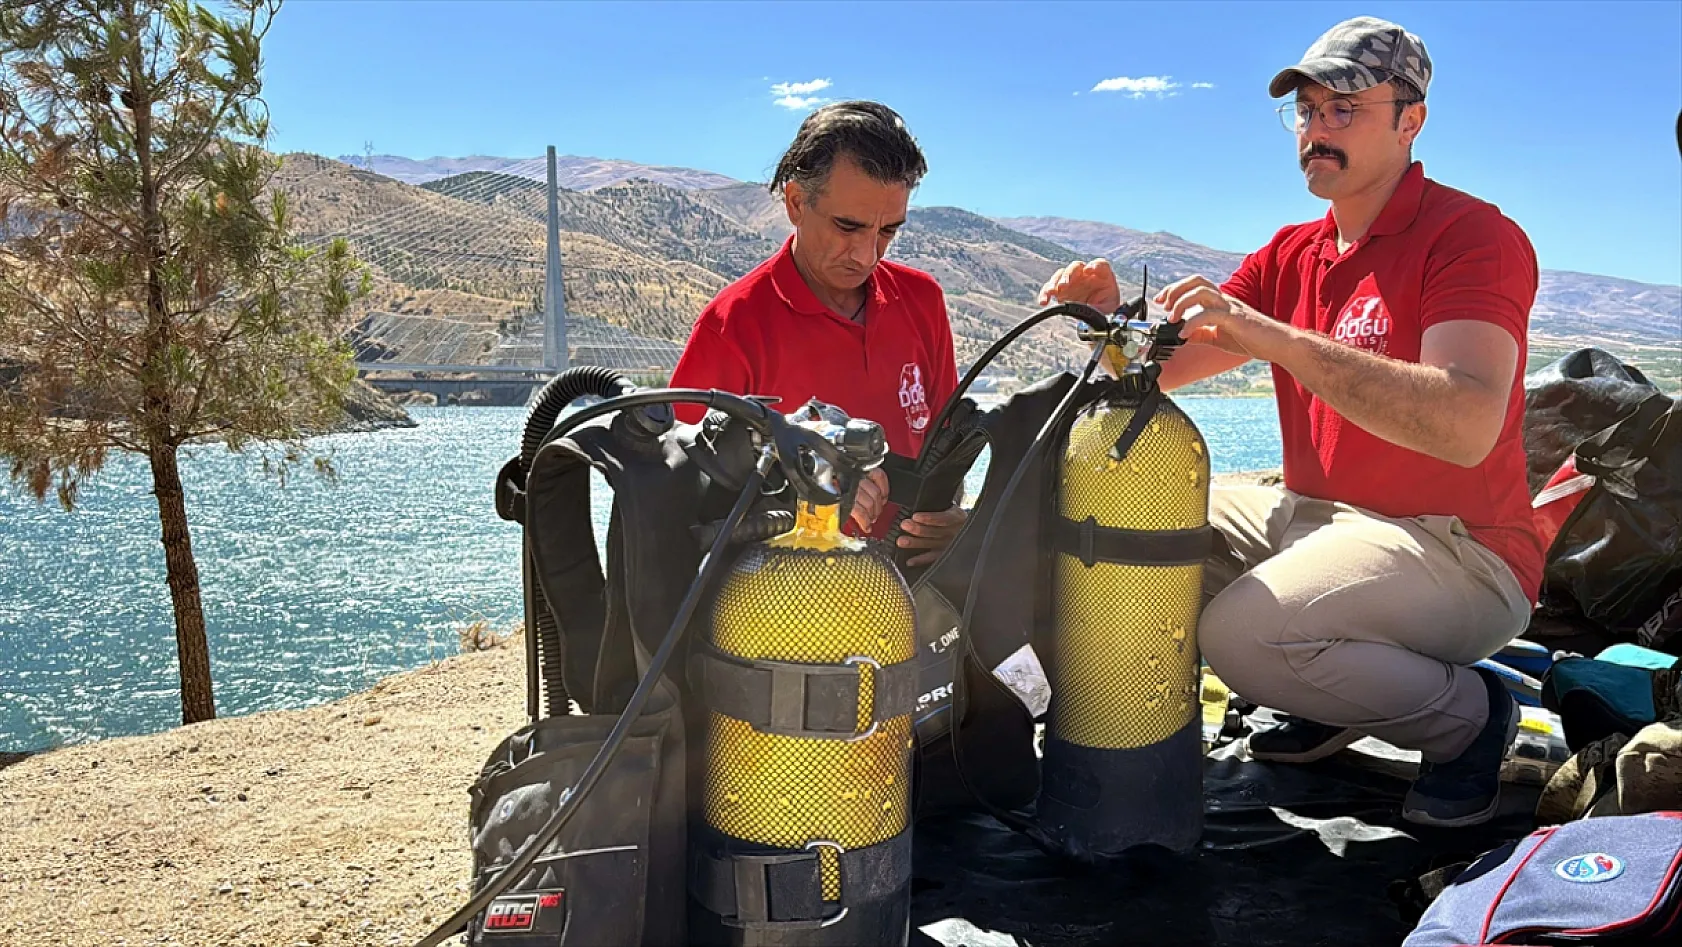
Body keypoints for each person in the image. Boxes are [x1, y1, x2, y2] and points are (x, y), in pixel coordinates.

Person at [1038, 16, 1544, 827]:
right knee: (1120, 526)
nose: (1316, 129)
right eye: (1306, 111)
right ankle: (1282, 710)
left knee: (1244, 639)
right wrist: (1104, 323)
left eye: (1344, 108)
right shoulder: (1291, 252)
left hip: (1458, 547)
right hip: (1322, 525)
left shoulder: (1472, 236)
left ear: (1411, 119)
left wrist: (1272, 335)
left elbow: (1465, 423)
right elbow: (1154, 369)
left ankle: (1472, 718)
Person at [669, 100, 966, 565]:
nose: (867, 255)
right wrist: (806, 488)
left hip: (914, 594)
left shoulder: (923, 300)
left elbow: (946, 449)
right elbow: (678, 501)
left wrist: (959, 526)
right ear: (795, 203)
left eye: (888, 230)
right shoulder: (732, 326)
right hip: (788, 609)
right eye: (848, 226)